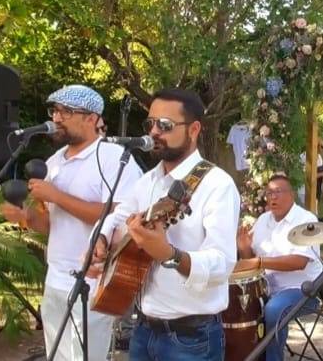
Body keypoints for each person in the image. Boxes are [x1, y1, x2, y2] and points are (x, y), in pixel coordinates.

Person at [88, 88, 240, 361]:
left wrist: (170, 254)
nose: (154, 132)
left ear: (193, 130)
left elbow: (222, 264)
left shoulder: (217, 185)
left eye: (165, 125)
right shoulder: (147, 182)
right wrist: (100, 239)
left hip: (192, 338)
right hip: (143, 330)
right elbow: (118, 216)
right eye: (150, 123)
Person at [0, 85, 143, 360]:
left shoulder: (113, 158)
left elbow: (121, 216)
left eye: (66, 111)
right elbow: (52, 225)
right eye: (54, 111)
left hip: (92, 282)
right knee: (58, 355)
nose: (56, 118)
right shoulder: (55, 161)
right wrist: (27, 217)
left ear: (91, 118)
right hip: (55, 277)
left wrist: (58, 196)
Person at [236, 174, 322, 361]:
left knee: (274, 309)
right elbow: (251, 262)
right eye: (269, 193)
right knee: (235, 304)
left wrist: (259, 262)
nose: (273, 197)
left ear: (291, 195)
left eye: (278, 192)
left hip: (303, 290)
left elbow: (299, 261)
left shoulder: (305, 219)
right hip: (267, 289)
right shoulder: (262, 220)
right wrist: (244, 250)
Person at [298, 138, 323, 207]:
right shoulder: (305, 157)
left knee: (313, 215)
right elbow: (307, 176)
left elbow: (319, 174)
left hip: (315, 191)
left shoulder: (319, 157)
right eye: (322, 146)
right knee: (308, 215)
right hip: (305, 191)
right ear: (315, 145)